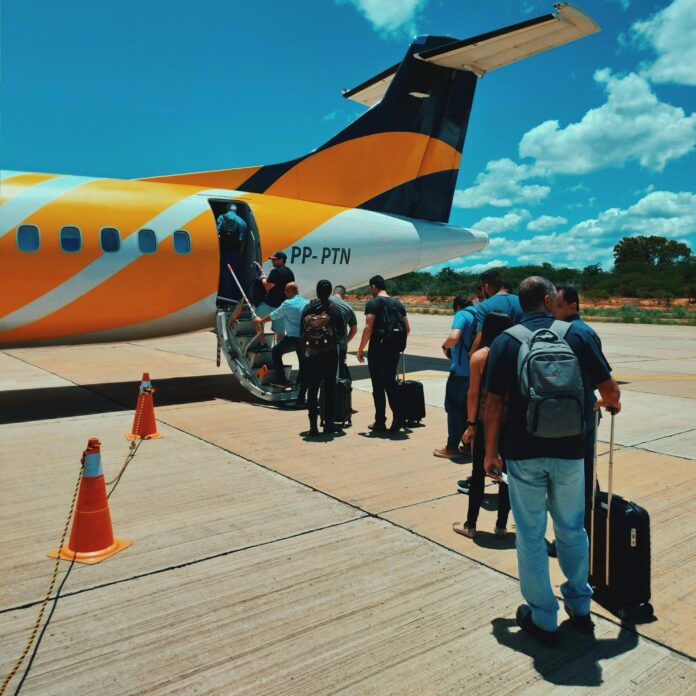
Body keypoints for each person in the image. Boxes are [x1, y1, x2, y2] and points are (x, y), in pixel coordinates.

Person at [484, 276, 622, 646]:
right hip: (570, 451)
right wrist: (607, 403)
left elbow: (493, 405)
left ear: (520, 304)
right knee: (572, 529)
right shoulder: (578, 335)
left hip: (523, 451)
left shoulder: (505, 341)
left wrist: (489, 452)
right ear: (549, 299)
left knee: (530, 534)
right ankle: (580, 608)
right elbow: (610, 391)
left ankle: (543, 616)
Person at [453, 311, 512, 537]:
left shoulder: (479, 357)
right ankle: (501, 526)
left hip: (485, 421)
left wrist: (470, 425)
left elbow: (473, 394)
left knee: (478, 474)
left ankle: (471, 525)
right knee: (506, 475)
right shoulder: (513, 355)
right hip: (508, 422)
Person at [554, 285, 608, 499]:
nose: (553, 311)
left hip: (579, 410)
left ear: (572, 306)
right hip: (578, 409)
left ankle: (587, 508)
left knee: (582, 466)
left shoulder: (580, 332)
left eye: (558, 306)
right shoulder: (568, 331)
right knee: (582, 464)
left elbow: (602, 376)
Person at [357, 275, 410, 433]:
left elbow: (368, 328)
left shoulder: (373, 303)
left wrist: (360, 350)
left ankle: (380, 421)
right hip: (394, 350)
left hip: (378, 350)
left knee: (378, 386)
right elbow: (407, 329)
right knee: (390, 383)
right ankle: (398, 414)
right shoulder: (398, 304)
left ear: (374, 286)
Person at [433, 295, 477, 458]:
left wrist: (445, 347)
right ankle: (468, 443)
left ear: (457, 306)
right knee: (469, 410)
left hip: (460, 372)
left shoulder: (462, 314)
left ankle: (452, 447)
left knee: (453, 409)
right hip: (476, 372)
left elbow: (454, 336)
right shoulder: (480, 314)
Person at [301, 279, 346, 436]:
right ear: (330, 292)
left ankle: (313, 426)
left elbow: (302, 331)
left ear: (317, 291)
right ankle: (328, 425)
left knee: (312, 391)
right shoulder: (334, 310)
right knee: (329, 389)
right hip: (329, 355)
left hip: (312, 356)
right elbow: (341, 333)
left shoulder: (308, 308)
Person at [253, 282, 308, 391]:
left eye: (285, 291)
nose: (284, 293)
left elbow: (274, 315)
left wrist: (261, 320)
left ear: (289, 292)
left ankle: (281, 379)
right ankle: (301, 381)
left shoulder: (287, 303)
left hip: (293, 338)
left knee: (276, 351)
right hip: (304, 337)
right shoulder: (306, 302)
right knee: (302, 359)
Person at [469, 270, 523, 355]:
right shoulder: (521, 301)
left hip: (496, 356)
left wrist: (472, 355)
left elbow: (480, 337)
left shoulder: (484, 306)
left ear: (486, 287)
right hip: (521, 354)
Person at [253, 251, 295, 346]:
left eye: (274, 260)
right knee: (280, 332)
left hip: (270, 305)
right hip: (282, 307)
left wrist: (263, 278)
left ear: (281, 260)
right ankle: (279, 351)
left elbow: (267, 286)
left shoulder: (275, 272)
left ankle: (262, 342)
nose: (272, 262)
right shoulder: (290, 273)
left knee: (255, 320)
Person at [217, 203, 248, 302]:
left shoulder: (222, 217)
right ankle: (232, 297)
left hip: (224, 251)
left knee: (224, 274)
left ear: (227, 208)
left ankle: (224, 296)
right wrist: (240, 256)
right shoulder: (242, 222)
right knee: (233, 274)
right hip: (235, 252)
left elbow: (216, 234)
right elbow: (243, 242)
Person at [331, 285, 358, 381]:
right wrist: (346, 341)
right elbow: (354, 329)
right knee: (340, 374)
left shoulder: (324, 302)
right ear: (344, 295)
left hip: (322, 344)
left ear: (333, 293)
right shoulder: (348, 308)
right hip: (340, 346)